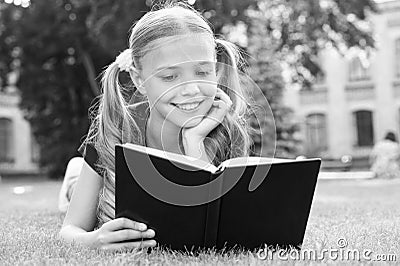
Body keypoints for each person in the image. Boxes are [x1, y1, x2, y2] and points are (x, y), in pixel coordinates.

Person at [58, 2, 254, 251]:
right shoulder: (115, 131)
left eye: (203, 72)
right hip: (98, 183)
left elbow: (215, 222)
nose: (191, 89)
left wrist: (194, 142)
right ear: (140, 80)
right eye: (170, 77)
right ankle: (75, 173)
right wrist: (93, 240)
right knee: (76, 192)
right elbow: (70, 230)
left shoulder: (228, 131)